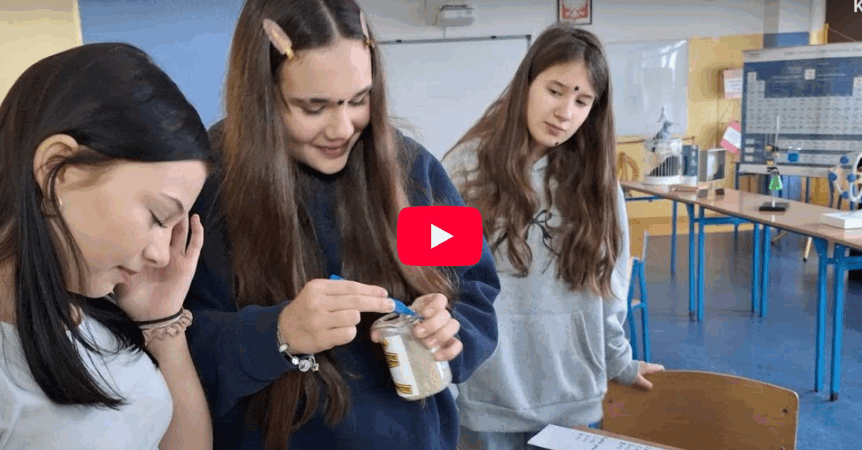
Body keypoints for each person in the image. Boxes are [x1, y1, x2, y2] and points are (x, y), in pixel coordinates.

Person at [183, 0, 500, 449]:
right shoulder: (207, 184)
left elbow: (476, 292)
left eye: (359, 100)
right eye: (312, 107)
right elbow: (173, 344)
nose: (341, 128)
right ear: (261, 95)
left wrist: (451, 331)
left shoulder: (411, 170)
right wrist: (279, 332)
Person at [441, 24, 665, 450]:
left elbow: (610, 287)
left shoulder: (599, 184)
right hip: (488, 405)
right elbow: (436, 281)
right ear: (526, 84)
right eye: (555, 91)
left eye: (582, 101)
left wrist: (620, 361)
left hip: (574, 401)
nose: (565, 112)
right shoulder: (464, 169)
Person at [0, 43, 214, 449]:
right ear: (58, 170)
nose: (161, 254)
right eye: (157, 217)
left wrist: (160, 322)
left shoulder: (94, 297)